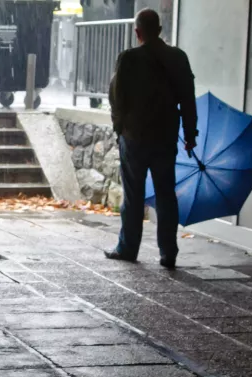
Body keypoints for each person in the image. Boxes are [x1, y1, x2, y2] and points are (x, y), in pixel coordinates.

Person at [106, 8, 197, 269]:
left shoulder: (128, 59)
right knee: (166, 194)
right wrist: (190, 134)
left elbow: (117, 99)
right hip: (165, 136)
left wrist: (119, 128)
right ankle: (168, 253)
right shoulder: (178, 57)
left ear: (138, 32)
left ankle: (128, 248)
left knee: (133, 195)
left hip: (134, 136)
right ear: (159, 30)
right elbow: (188, 99)